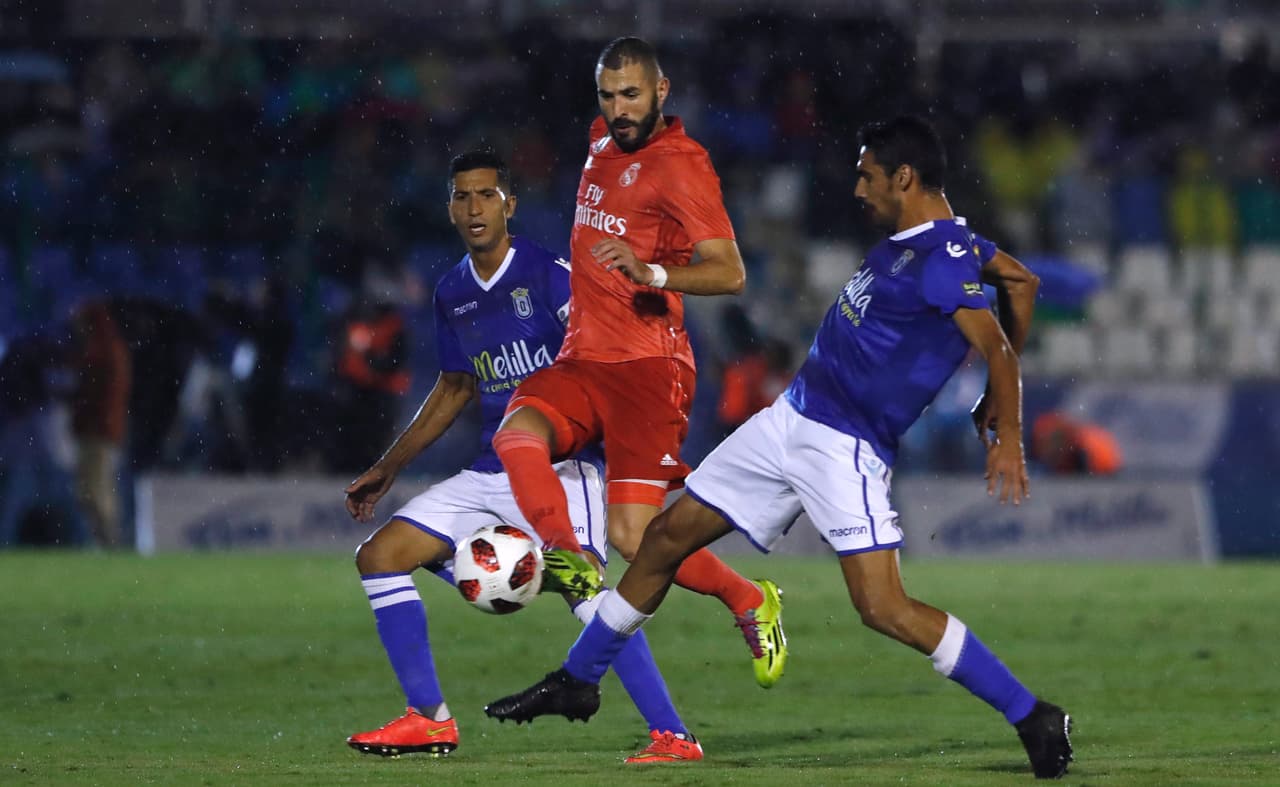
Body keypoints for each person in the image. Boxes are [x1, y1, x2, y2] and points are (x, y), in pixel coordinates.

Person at [485, 116, 1074, 780]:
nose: (857, 189)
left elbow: (993, 342)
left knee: (882, 607)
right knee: (663, 537)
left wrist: (1006, 426)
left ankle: (1032, 714)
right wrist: (998, 384)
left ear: (903, 178)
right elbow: (1021, 282)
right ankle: (579, 677)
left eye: (867, 174)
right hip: (789, 417)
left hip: (842, 446)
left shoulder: (941, 261)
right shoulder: (939, 242)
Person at [342, 150, 703, 763]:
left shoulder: (553, 274)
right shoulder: (453, 291)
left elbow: (612, 357)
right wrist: (389, 465)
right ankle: (430, 719)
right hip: (491, 469)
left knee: (588, 593)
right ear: (450, 208)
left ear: (510, 204)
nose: (474, 207)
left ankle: (673, 734)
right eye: (461, 196)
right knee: (379, 556)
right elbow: (456, 388)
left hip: (564, 466)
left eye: (486, 195)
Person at [489, 36, 787, 690]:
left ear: (661, 92)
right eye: (608, 94)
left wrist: (650, 269)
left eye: (631, 94)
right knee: (516, 433)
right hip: (584, 358)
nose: (619, 108)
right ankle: (566, 556)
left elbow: (730, 271)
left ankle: (749, 598)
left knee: (636, 537)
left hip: (648, 368)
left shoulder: (682, 165)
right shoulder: (601, 140)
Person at [69, 301, 132, 548]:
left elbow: (98, 395)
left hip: (97, 432)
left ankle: (109, 541)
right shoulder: (110, 350)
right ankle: (106, 540)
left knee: (94, 489)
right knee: (95, 488)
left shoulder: (102, 352)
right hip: (101, 430)